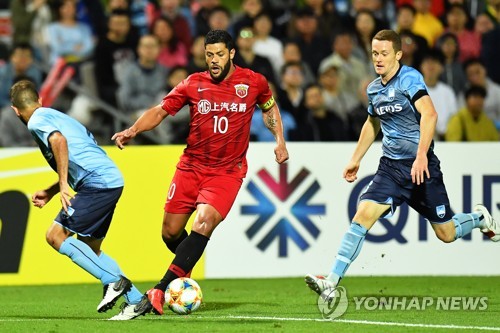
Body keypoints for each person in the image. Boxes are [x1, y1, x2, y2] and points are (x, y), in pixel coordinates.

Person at [304, 29, 499, 296]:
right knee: (362, 215)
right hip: (391, 169)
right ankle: (332, 281)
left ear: (398, 54)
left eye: (384, 53)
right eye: (374, 53)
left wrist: (421, 157)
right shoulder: (374, 89)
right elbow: (372, 123)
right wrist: (355, 159)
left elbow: (429, 115)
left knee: (446, 233)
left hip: (423, 168)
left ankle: (479, 218)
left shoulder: (409, 79)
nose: (378, 59)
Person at [111, 29, 289, 318]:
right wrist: (133, 130)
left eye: (219, 54)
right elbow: (160, 110)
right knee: (170, 234)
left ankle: (159, 290)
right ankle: (184, 266)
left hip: (227, 172)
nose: (214, 60)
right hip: (191, 167)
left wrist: (279, 140)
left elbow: (269, 108)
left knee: (204, 223)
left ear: (232, 53)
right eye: (209, 55)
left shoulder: (253, 81)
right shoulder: (194, 83)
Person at [8, 79, 150, 320]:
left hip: (97, 182)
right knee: (91, 249)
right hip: (109, 179)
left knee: (55, 236)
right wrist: (52, 190)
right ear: (40, 99)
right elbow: (76, 153)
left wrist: (63, 185)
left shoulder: (37, 121)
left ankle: (113, 282)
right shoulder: (55, 115)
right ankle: (137, 300)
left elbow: (59, 142)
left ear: (15, 110)